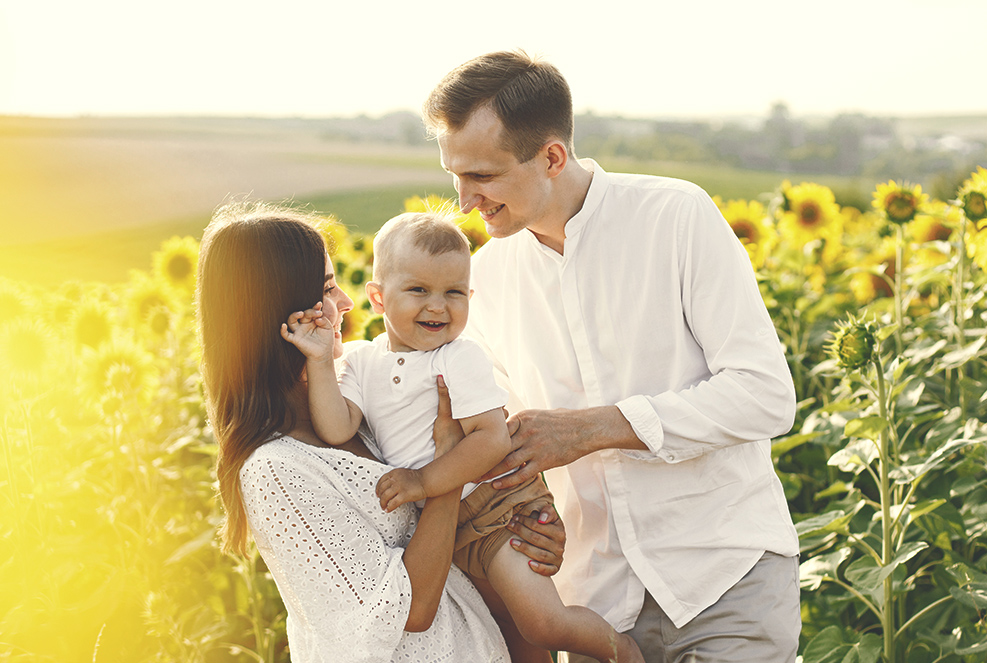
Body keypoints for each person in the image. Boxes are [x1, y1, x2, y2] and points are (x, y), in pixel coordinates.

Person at [421, 50, 802, 663]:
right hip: (592, 603)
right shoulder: (483, 278)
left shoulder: (676, 217)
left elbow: (765, 395)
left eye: (483, 177)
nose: (464, 200)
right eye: (454, 175)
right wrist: (528, 526)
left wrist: (595, 429)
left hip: (723, 576)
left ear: (551, 156)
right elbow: (501, 444)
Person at [195, 200, 565, 663]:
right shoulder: (277, 472)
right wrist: (447, 461)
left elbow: (445, 557)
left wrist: (516, 536)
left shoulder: (359, 404)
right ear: (280, 313)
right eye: (328, 290)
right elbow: (410, 609)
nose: (346, 304)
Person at [282, 211, 643, 663]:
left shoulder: (458, 358)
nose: (438, 306)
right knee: (494, 626)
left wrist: (424, 482)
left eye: (453, 292)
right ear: (377, 297)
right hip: (442, 529)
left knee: (540, 623)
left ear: (470, 296)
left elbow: (491, 441)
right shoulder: (359, 363)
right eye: (419, 290)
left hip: (496, 506)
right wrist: (319, 362)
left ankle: (622, 650)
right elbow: (337, 427)